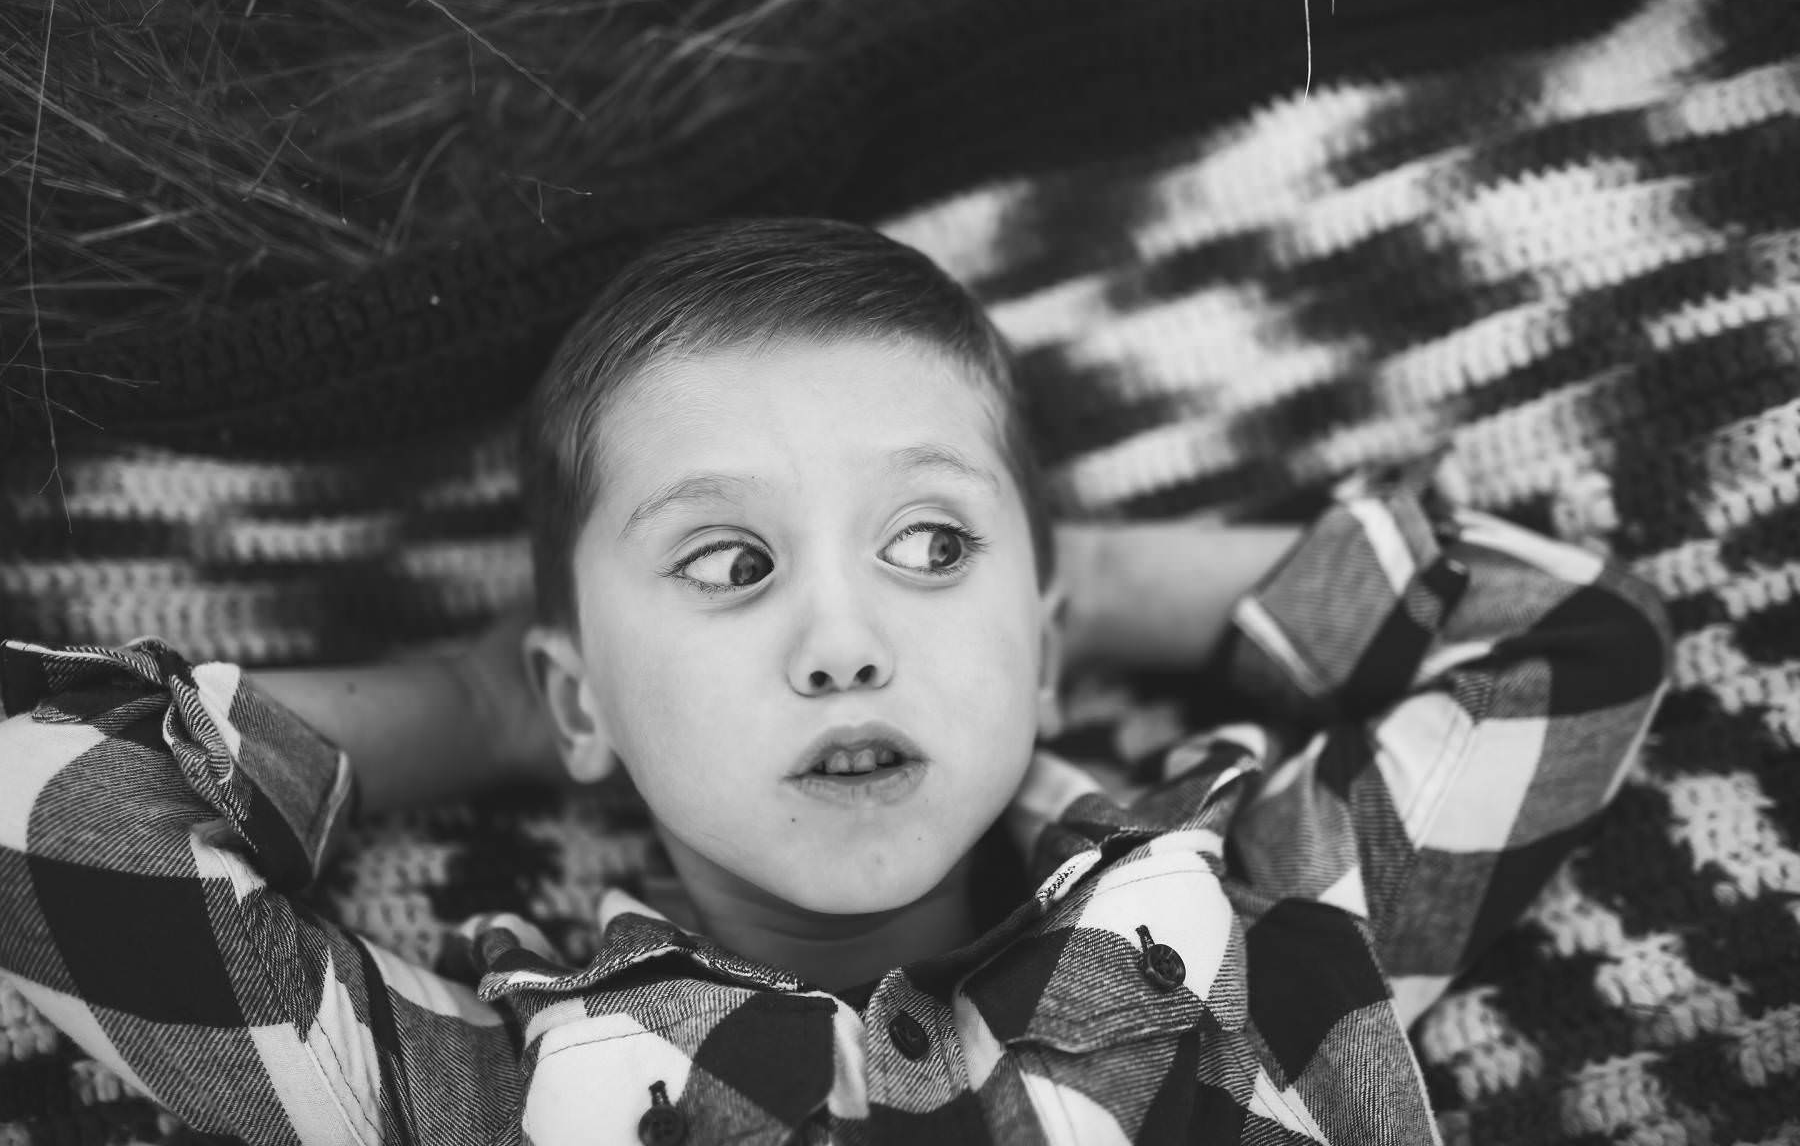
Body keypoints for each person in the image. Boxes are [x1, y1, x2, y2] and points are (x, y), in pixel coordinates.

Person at [0, 218, 1670, 1145]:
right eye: (730, 565)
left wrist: (1074, 601)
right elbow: (30, 798)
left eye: (929, 547)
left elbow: (1569, 651)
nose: (847, 638)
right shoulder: (496, 1093)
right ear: (582, 701)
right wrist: (497, 708)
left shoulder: (1271, 920)